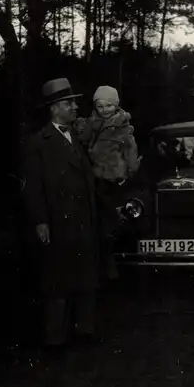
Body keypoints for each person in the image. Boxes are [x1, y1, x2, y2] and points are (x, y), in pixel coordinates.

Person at [24, 78, 100, 350]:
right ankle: (55, 338)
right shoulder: (39, 142)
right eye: (70, 103)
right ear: (55, 108)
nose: (75, 107)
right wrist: (41, 220)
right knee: (58, 281)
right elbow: (33, 187)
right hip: (59, 222)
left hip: (83, 220)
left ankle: (84, 332)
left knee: (85, 278)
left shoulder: (76, 138)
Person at [75, 85, 141, 280]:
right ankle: (99, 262)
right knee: (96, 219)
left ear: (116, 106)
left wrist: (129, 171)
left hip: (113, 177)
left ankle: (110, 263)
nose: (104, 110)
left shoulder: (122, 126)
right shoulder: (91, 122)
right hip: (94, 175)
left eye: (108, 106)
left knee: (110, 219)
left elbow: (131, 151)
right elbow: (83, 139)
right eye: (100, 106)